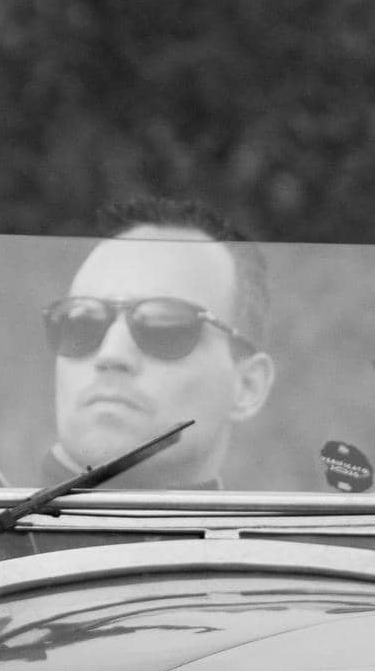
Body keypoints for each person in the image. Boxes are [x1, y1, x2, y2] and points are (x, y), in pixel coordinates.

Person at [43, 197, 276, 488]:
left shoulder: (323, 532)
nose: (111, 354)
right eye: (81, 321)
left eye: (164, 326)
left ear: (248, 386)